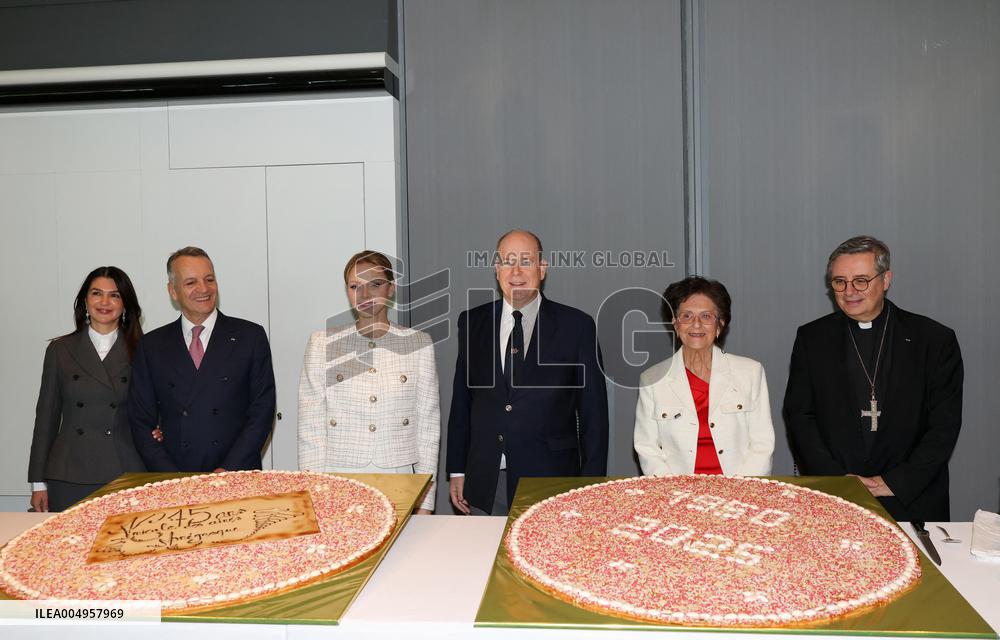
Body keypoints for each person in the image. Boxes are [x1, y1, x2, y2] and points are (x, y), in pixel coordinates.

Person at [784, 235, 963, 521]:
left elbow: (944, 425)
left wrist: (896, 482)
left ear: (886, 279)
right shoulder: (812, 338)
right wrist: (836, 480)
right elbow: (799, 416)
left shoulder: (933, 340)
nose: (849, 291)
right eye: (839, 281)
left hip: (912, 497)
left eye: (861, 281)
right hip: (836, 498)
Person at [447, 229, 609, 515]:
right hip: (485, 481)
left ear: (542, 269)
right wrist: (457, 469)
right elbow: (462, 402)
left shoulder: (577, 327)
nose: (516, 271)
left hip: (552, 481)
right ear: (497, 269)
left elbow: (594, 416)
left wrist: (590, 486)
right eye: (508, 261)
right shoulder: (472, 323)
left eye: (526, 261)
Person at [298, 250, 441, 513]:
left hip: (399, 474)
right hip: (338, 475)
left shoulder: (418, 344)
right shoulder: (322, 343)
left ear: (391, 289)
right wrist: (314, 492)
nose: (364, 295)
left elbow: (428, 428)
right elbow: (311, 428)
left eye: (374, 284)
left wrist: (426, 499)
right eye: (355, 286)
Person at [128, 247, 276, 472]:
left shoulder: (250, 336)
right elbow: (140, 421)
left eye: (209, 279)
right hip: (175, 476)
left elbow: (262, 411)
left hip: (236, 474)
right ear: (173, 291)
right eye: (191, 282)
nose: (204, 289)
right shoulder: (152, 345)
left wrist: (227, 470)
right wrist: (173, 477)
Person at [28, 267, 146, 512]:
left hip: (124, 471)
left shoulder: (143, 350)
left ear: (125, 304)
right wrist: (38, 483)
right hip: (69, 471)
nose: (104, 302)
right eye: (96, 293)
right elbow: (46, 419)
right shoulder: (60, 350)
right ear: (85, 300)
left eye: (114, 295)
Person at [633, 277, 774, 476]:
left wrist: (742, 488)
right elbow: (647, 448)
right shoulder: (652, 379)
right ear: (675, 324)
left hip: (739, 486)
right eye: (687, 316)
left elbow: (762, 444)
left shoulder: (750, 372)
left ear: (720, 324)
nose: (696, 324)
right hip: (677, 489)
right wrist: (674, 490)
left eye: (706, 316)